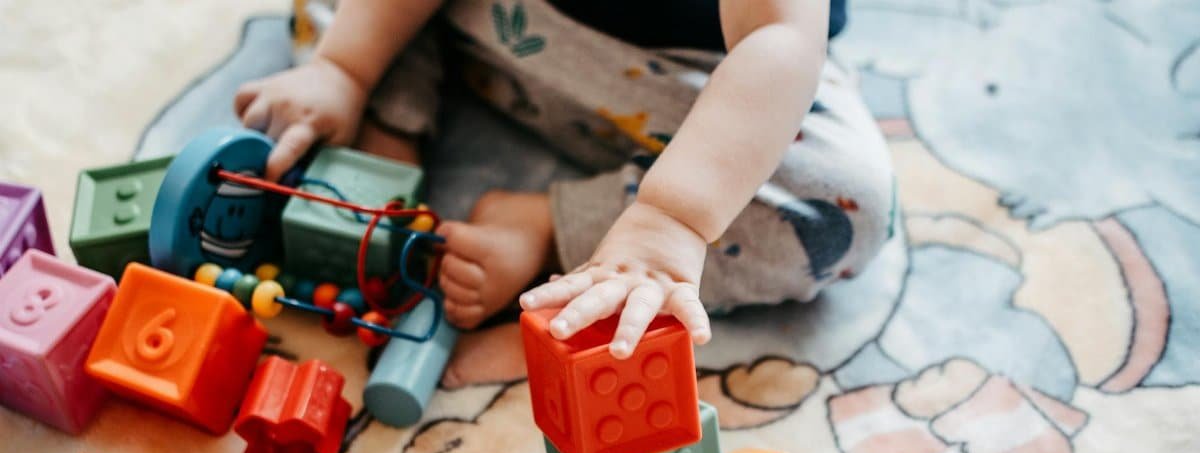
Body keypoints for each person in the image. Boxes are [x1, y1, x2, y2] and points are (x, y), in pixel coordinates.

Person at [235, 0, 893, 358]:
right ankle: (385, 123)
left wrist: (668, 222)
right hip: (492, 22)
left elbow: (776, 42)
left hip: (699, 83)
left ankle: (552, 226)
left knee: (844, 205)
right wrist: (345, 66)